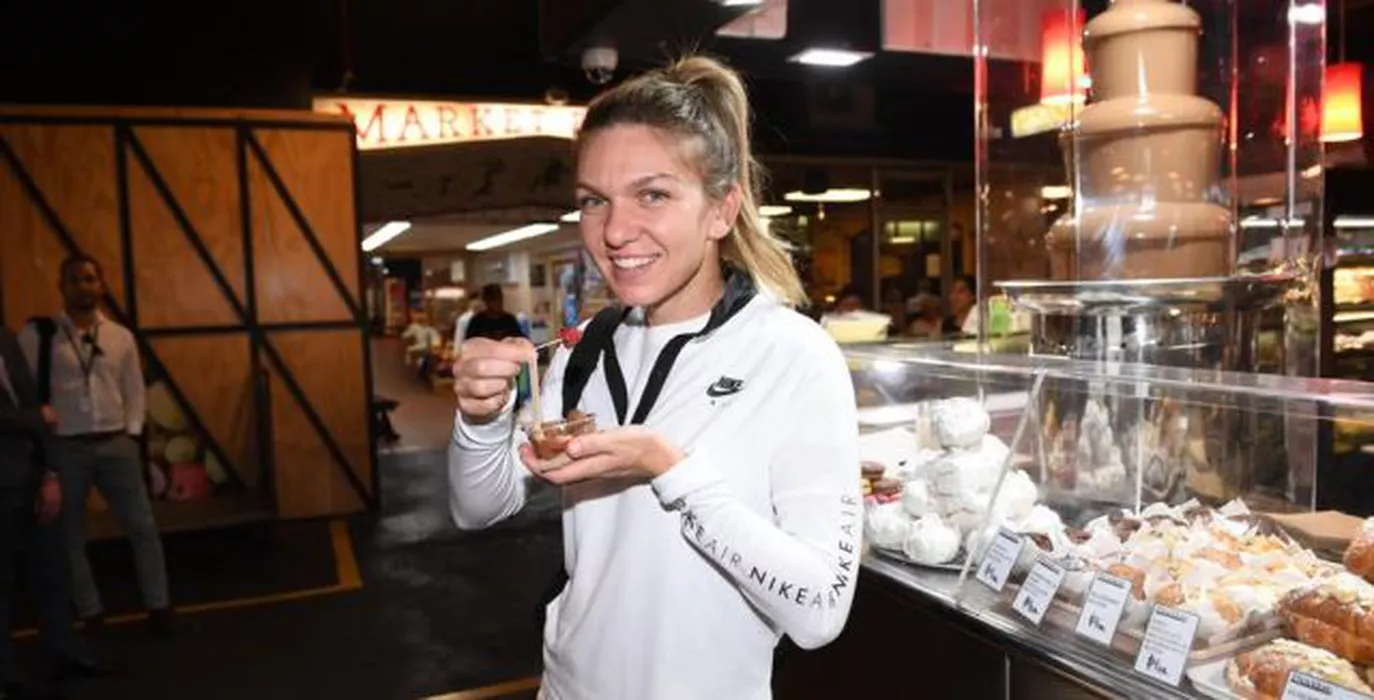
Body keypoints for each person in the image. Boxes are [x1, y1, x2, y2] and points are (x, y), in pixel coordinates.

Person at [449, 55, 861, 699]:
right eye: (594, 201)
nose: (615, 231)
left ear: (721, 210)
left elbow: (819, 613)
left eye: (653, 195)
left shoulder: (792, 355)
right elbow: (478, 509)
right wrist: (480, 419)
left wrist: (669, 469)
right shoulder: (585, 349)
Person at [20, 255, 179, 637]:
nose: (83, 286)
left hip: (115, 443)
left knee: (142, 526)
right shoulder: (41, 337)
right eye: (74, 280)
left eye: (90, 279)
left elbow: (134, 390)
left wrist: (132, 434)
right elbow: (26, 388)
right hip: (66, 447)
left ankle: (159, 605)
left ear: (101, 286)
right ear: (62, 286)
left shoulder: (120, 337)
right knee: (69, 534)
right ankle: (90, 611)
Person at [1, 325, 109, 698]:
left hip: (33, 475)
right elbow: (39, 412)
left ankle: (63, 653)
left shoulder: (5, 338)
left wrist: (50, 472)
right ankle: (5, 672)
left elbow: (35, 402)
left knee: (53, 571)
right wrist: (37, 417)